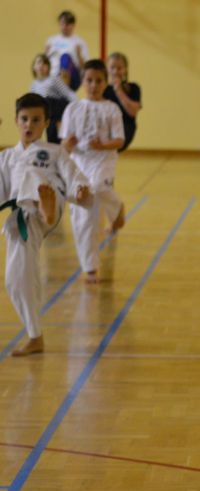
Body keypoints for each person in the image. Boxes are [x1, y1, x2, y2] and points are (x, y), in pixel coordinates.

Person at [0, 93, 90, 356]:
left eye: (36, 120)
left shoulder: (55, 151)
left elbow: (74, 175)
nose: (29, 124)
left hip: (52, 201)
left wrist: (80, 189)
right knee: (16, 279)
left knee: (35, 179)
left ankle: (44, 207)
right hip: (21, 218)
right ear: (16, 121)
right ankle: (35, 336)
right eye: (24, 119)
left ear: (46, 123)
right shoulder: (7, 157)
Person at [60, 59, 127, 283]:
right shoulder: (73, 109)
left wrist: (102, 145)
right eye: (89, 80)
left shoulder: (112, 108)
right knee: (83, 214)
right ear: (82, 82)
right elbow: (64, 145)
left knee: (97, 187)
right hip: (79, 163)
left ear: (105, 83)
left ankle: (116, 208)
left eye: (99, 81)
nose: (93, 85)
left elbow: (119, 140)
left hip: (104, 161)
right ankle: (89, 267)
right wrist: (68, 144)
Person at [29, 53, 78, 143]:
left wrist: (77, 105)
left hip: (54, 108)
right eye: (38, 62)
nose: (41, 65)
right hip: (42, 109)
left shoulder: (53, 80)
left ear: (48, 67)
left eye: (44, 63)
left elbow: (68, 93)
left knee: (52, 134)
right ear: (34, 67)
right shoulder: (34, 84)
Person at [103, 52, 142, 151]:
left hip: (125, 127)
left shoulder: (133, 88)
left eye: (119, 68)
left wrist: (118, 90)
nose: (115, 71)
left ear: (125, 70)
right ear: (107, 69)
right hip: (106, 126)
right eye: (112, 68)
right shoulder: (103, 89)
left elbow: (132, 112)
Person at [44, 10, 89, 91]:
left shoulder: (79, 42)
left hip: (72, 77)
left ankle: (64, 89)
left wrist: (79, 55)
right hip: (54, 75)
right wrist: (45, 54)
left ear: (73, 25)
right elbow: (45, 62)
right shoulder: (51, 41)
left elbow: (85, 67)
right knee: (40, 61)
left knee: (65, 57)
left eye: (67, 24)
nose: (64, 26)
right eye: (62, 23)